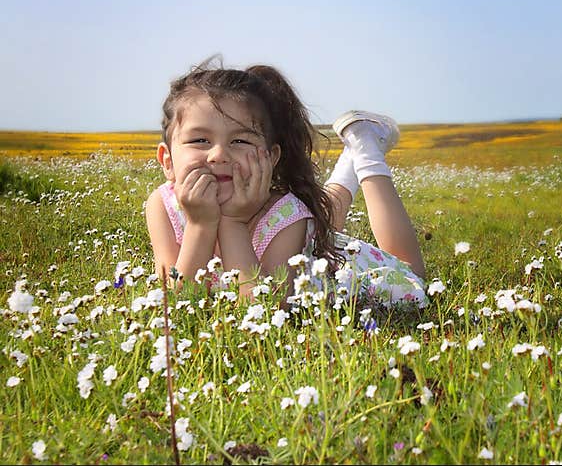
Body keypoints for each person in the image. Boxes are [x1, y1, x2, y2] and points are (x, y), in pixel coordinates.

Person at [144, 60, 427, 307]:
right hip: (315, 242)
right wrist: (199, 225)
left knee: (412, 276)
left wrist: (232, 222)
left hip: (345, 267)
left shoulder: (288, 216)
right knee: (323, 220)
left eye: (239, 141)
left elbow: (263, 307)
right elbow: (176, 303)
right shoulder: (162, 205)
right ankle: (353, 151)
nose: (219, 155)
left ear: (271, 157)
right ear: (167, 161)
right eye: (199, 140)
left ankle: (365, 148)